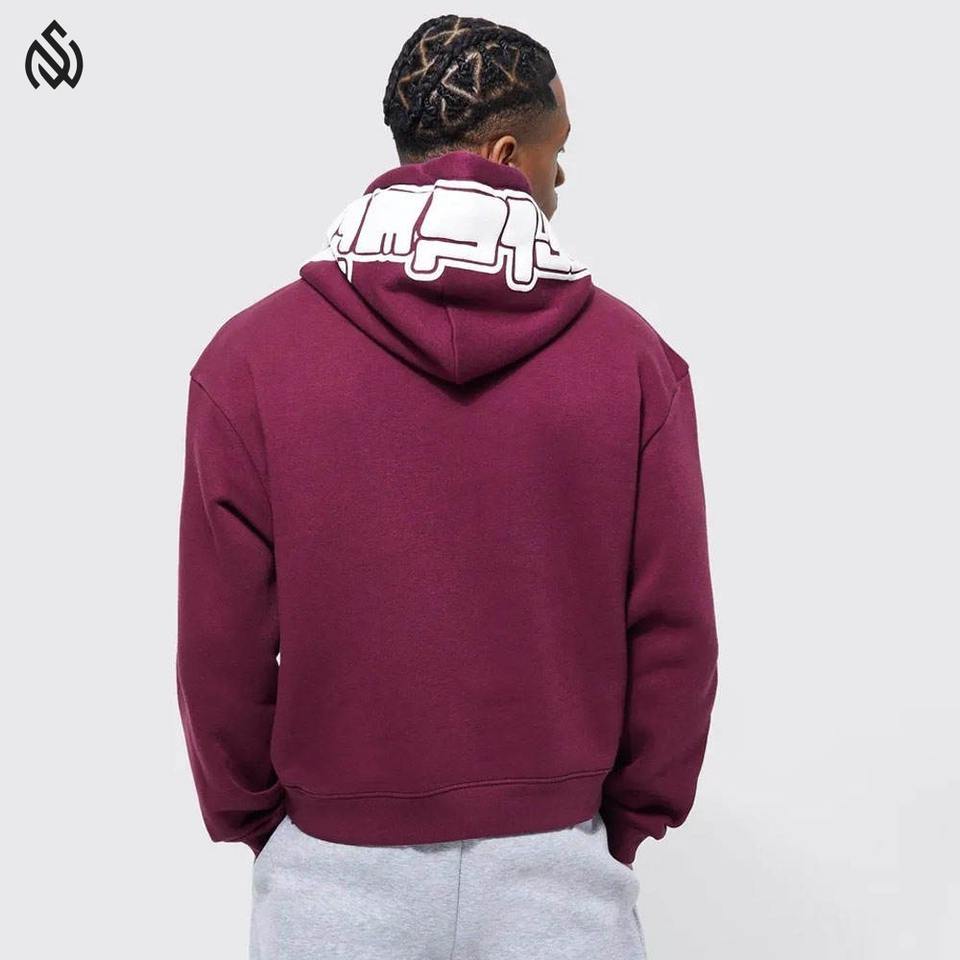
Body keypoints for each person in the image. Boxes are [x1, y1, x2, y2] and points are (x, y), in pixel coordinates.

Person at [175, 13, 719, 960]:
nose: (561, 179)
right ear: (507, 155)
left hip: (332, 876)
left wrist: (265, 824)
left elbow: (220, 644)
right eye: (558, 153)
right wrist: (621, 823)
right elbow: (674, 631)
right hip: (558, 873)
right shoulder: (632, 361)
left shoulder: (250, 360)